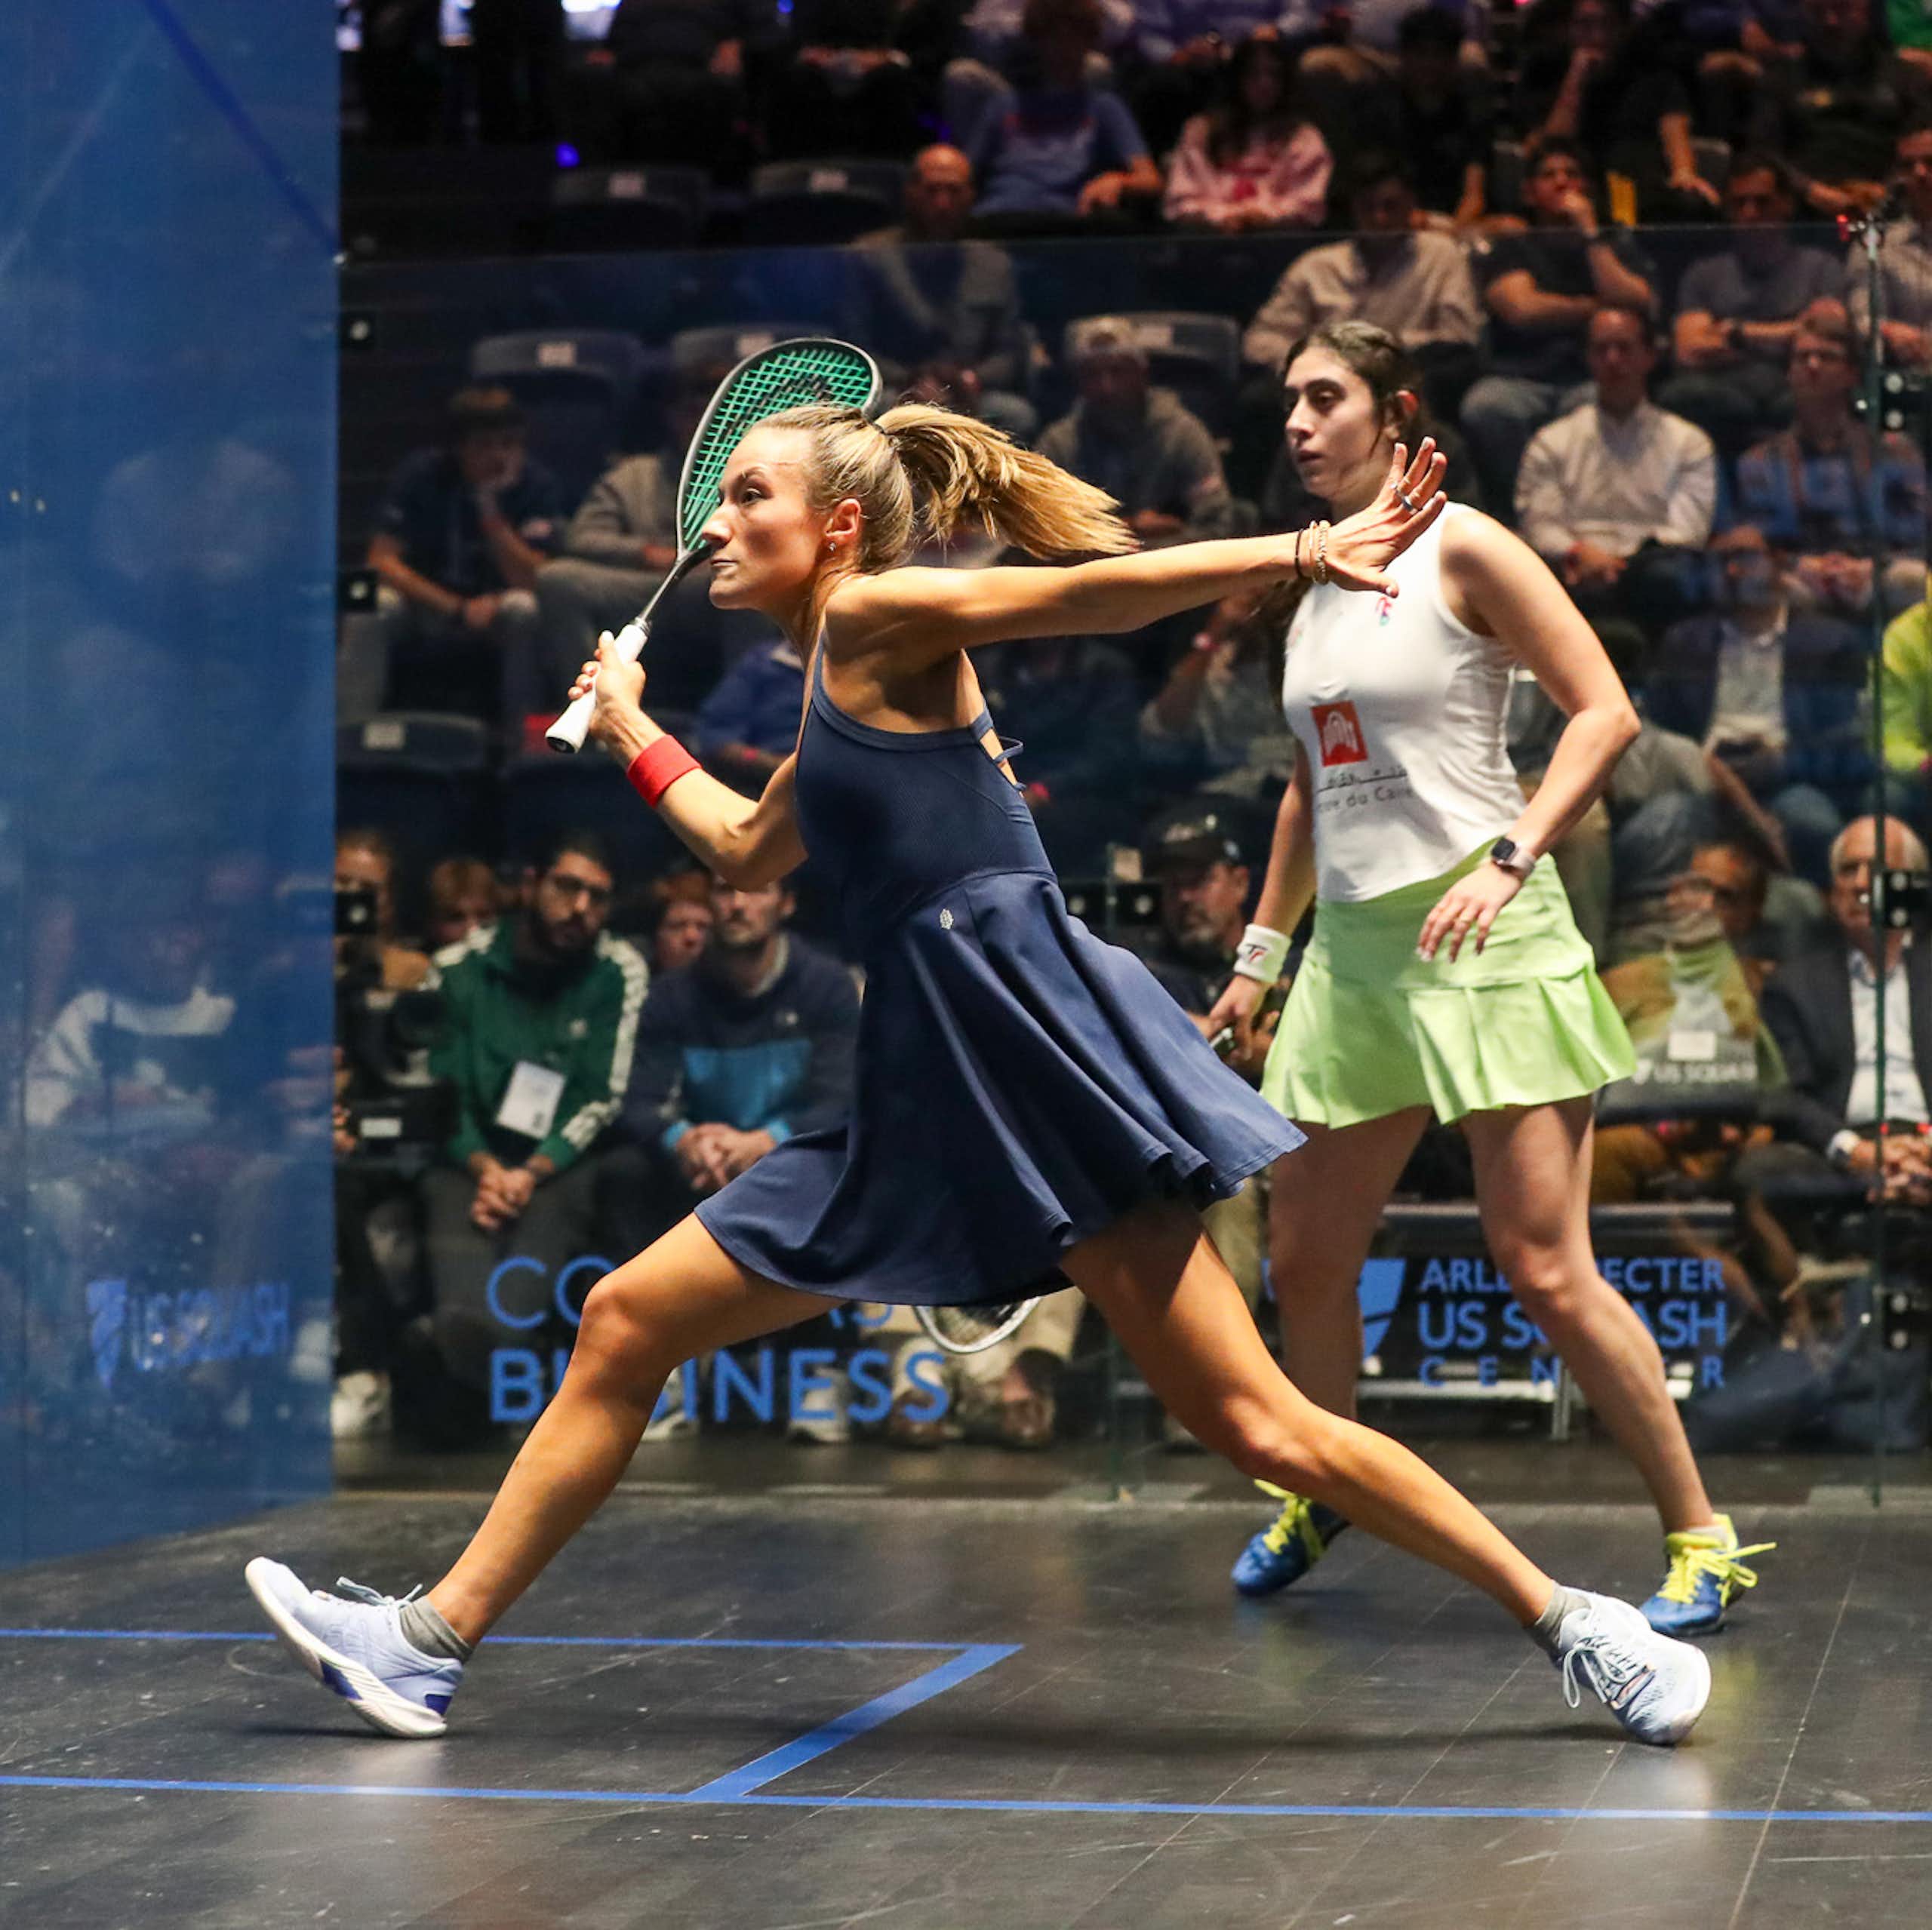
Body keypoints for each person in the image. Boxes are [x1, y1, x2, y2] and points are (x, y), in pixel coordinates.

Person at [248, 387, 1710, 1748]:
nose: (711, 527)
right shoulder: (827, 686)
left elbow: (1080, 589)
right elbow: (747, 846)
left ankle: (1573, 1622)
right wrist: (635, 731)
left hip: (1030, 1063)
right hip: (918, 1087)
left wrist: (1300, 545)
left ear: (835, 529)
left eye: (745, 495)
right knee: (628, 1316)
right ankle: (425, 1640)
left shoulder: (881, 613)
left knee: (1258, 1423)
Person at [1205, 320, 1770, 1639]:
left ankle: (1705, 1534)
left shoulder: (1469, 543)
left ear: (1391, 410)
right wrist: (1259, 955)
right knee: (1306, 1260)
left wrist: (1511, 857)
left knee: (1544, 1267)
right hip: (1351, 957)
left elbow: (1606, 708)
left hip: (1485, 938)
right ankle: (1321, 1479)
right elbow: (1312, 785)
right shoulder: (1316, 576)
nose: (1296, 421)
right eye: (1288, 399)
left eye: (1325, 396)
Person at [416, 831, 648, 1415]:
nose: (581, 909)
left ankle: (484, 1364)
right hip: (467, 1160)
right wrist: (488, 1168)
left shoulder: (617, 969)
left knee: (505, 1323)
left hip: (558, 1164)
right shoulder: (454, 971)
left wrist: (530, 1172)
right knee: (462, 1310)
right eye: (567, 888)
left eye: (597, 897)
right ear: (529, 887)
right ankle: (449, 1364)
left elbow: (602, 1095)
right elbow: (440, 1093)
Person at [609, 872, 860, 1258]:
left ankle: (811, 1311)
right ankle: (656, 1310)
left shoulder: (827, 987)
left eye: (757, 889)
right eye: (726, 890)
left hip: (788, 1160)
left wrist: (764, 1143)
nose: (738, 904)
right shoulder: (671, 996)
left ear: (786, 904)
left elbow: (840, 1103)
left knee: (839, 1164)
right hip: (703, 1165)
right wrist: (685, 1140)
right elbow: (639, 1101)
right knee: (623, 1172)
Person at [1644, 524, 1867, 884]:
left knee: (1812, 822)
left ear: (1778, 565)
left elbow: (1844, 742)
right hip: (1706, 775)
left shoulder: (1827, 642)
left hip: (1787, 774)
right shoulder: (1685, 642)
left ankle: (1816, 924)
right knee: (1658, 824)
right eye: (1720, 562)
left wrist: (1781, 763)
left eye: (1744, 558)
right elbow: (1659, 728)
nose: (1732, 571)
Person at [1460, 138, 1657, 515]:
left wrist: (1590, 237)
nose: (1562, 182)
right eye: (1550, 175)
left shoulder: (1613, 243)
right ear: (1529, 192)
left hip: (1591, 377)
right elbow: (1522, 309)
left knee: (1599, 407)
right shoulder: (1514, 246)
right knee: (1485, 406)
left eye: (1572, 174)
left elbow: (1635, 304)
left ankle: (1588, 514)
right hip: (1520, 378)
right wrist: (1598, 308)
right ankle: (1517, 512)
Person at [1514, 303, 1716, 637]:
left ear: (1650, 356)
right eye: (1601, 349)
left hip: (1651, 577)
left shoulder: (1688, 442)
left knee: (1670, 577)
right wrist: (1580, 554)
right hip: (1575, 570)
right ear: (1588, 358)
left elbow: (1688, 530)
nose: (1613, 360)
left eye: (1624, 348)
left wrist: (1621, 564)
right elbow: (1540, 522)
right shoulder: (1552, 441)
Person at [366, 387, 562, 730]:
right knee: (374, 604)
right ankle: (353, 737)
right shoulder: (422, 476)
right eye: (484, 445)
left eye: (509, 444)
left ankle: (522, 743)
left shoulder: (536, 485)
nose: (498, 457)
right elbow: (380, 562)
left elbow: (536, 581)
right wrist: (456, 607)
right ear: (459, 448)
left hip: (498, 609)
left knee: (524, 608)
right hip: (429, 605)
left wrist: (490, 510)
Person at [1730, 303, 1927, 618]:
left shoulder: (1893, 450)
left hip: (1878, 575)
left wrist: (1871, 567)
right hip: (1802, 579)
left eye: (1827, 357)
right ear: (1789, 372)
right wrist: (1802, 565)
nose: (1813, 365)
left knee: (1914, 580)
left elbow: (1921, 534)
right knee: (1759, 584)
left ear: (1851, 373)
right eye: (1802, 357)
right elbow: (1752, 541)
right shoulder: (1761, 460)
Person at [1241, 152, 1481, 382]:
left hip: (1410, 382)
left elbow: (1459, 338)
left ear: (1411, 204)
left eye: (1390, 206)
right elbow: (1259, 341)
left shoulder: (1442, 255)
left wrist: (1378, 349)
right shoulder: (1315, 266)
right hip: (1324, 387)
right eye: (1368, 207)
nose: (1380, 219)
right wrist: (1318, 362)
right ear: (1353, 208)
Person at [1661, 155, 1846, 453]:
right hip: (1722, 393)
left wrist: (1736, 333)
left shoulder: (1821, 267)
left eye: (1763, 202)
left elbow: (1827, 336)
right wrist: (1789, 334)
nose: (1750, 212)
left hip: (1793, 388)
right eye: (1740, 203)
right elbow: (1689, 350)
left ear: (1787, 205)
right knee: (1685, 395)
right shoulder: (1704, 273)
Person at [854, 145, 1036, 440]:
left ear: (970, 197)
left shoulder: (994, 264)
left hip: (970, 395)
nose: (942, 203)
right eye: (932, 190)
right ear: (911, 193)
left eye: (953, 191)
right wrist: (908, 380)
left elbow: (1009, 352)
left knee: (1017, 415)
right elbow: (855, 345)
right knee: (875, 412)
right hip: (896, 391)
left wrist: (972, 379)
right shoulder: (871, 256)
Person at [1038, 316, 1242, 547]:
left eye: (1118, 371)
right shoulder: (1059, 443)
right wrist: (1131, 527)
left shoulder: (1182, 433)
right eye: (1092, 375)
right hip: (1090, 572)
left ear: (1142, 373)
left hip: (1171, 569)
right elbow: (1041, 531)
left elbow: (1218, 525)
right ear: (1078, 382)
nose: (1107, 387)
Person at [967, 0, 1162, 227]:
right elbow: (965, 174)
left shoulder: (1104, 107)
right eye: (1054, 37)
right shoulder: (1002, 106)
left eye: (1074, 37)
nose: (1064, 47)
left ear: (1089, 42)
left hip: (1068, 226)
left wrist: (1118, 180)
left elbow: (1150, 180)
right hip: (1000, 220)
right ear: (1037, 40)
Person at [1161, 29, 1334, 233]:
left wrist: (1264, 218)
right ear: (1237, 79)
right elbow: (1181, 199)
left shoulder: (1304, 137)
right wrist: (1222, 218)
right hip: (1208, 241)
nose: (1265, 84)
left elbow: (1309, 204)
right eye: (1254, 74)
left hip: (1279, 242)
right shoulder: (1201, 131)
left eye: (1274, 75)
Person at [1847, 120, 1932, 367]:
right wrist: (1887, 332)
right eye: (1908, 166)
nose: (1919, 173)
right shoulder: (1875, 245)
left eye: (1930, 162)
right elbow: (1863, 319)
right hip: (1906, 381)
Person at [693, 633, 808, 796]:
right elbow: (715, 739)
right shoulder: (763, 661)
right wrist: (777, 765)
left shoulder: (848, 671)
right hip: (761, 790)